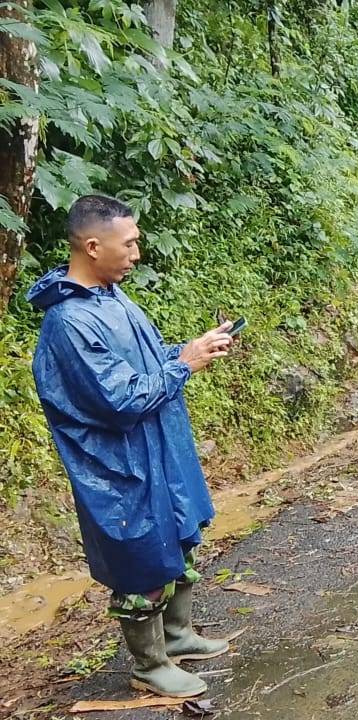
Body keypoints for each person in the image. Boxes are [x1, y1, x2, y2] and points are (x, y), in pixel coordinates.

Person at [28, 195, 235, 698]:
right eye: (131, 243)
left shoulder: (110, 295)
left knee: (178, 536)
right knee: (141, 557)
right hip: (118, 464)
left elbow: (138, 364)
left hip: (156, 445)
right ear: (94, 246)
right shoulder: (70, 323)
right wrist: (183, 365)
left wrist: (189, 350)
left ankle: (179, 635)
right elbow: (119, 399)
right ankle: (149, 664)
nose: (137, 253)